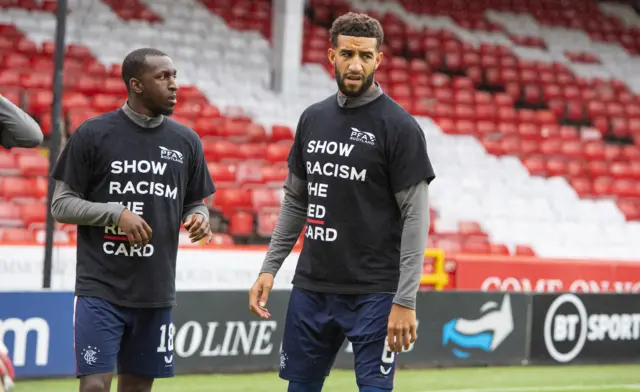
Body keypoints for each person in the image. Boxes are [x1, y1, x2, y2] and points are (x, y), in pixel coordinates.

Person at [248, 12, 435, 392]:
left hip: (376, 293)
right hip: (312, 287)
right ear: (331, 55)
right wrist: (270, 267)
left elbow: (416, 217)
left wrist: (406, 299)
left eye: (365, 56)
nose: (355, 64)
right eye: (348, 53)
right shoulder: (313, 119)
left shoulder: (399, 127)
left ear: (378, 59)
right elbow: (296, 201)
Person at [51, 47, 216, 392]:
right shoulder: (93, 134)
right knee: (94, 386)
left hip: (155, 290)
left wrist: (198, 217)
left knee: (137, 389)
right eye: (163, 77)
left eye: (175, 76)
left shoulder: (186, 141)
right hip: (101, 288)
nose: (174, 85)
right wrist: (115, 213)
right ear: (136, 85)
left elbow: (195, 202)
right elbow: (61, 205)